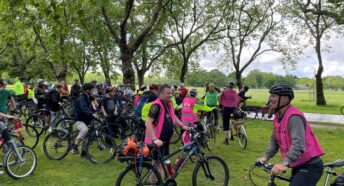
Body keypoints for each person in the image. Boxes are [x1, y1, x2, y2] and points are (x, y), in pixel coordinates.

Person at [257, 84, 324, 186]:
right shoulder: (278, 116)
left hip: (310, 166)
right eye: (270, 95)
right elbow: (274, 140)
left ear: (284, 99)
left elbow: (298, 144)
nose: (270, 98)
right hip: (297, 164)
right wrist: (266, 157)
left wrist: (284, 163)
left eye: (274, 96)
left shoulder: (294, 117)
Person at [144, 84, 189, 177]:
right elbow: (148, 122)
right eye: (167, 93)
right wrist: (154, 139)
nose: (170, 95)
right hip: (158, 140)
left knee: (164, 161)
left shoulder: (169, 103)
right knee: (157, 165)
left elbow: (173, 116)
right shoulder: (156, 105)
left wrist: (181, 125)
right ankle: (155, 183)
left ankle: (164, 179)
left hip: (165, 140)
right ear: (160, 94)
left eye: (171, 93)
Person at [71, 83, 101, 155]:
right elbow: (84, 108)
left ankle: (83, 151)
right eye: (92, 89)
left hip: (85, 118)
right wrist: (92, 114)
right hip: (78, 118)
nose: (93, 91)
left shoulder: (88, 96)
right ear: (87, 90)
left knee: (87, 135)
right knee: (84, 130)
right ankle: (74, 147)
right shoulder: (82, 97)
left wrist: (98, 106)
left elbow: (93, 103)